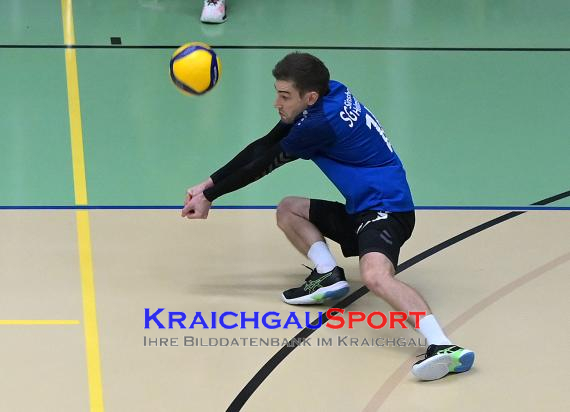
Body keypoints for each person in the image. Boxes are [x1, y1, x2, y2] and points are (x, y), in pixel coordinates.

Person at [181, 52, 474, 380]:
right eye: (277, 93)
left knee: (376, 276)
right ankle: (328, 275)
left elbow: (264, 164)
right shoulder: (329, 92)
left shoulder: (320, 124)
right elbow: (264, 144)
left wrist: (210, 196)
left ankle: (444, 346)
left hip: (386, 210)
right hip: (360, 209)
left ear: (309, 97)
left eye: (284, 96)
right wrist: (208, 184)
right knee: (289, 208)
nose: (276, 103)